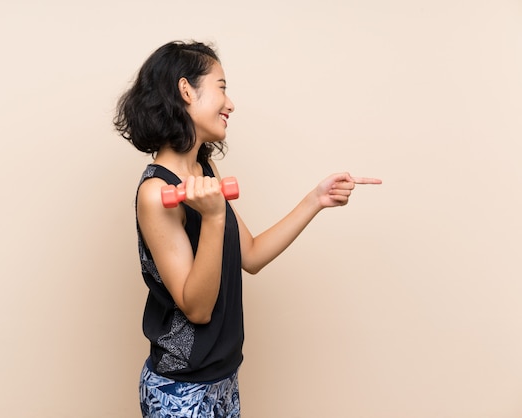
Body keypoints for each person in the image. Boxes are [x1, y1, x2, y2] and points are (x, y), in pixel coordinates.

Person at [114, 40, 381, 418]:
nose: (230, 103)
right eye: (221, 88)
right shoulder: (156, 193)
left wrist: (315, 200)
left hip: (223, 376)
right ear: (186, 90)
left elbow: (251, 255)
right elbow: (198, 308)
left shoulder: (205, 171)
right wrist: (213, 216)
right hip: (181, 389)